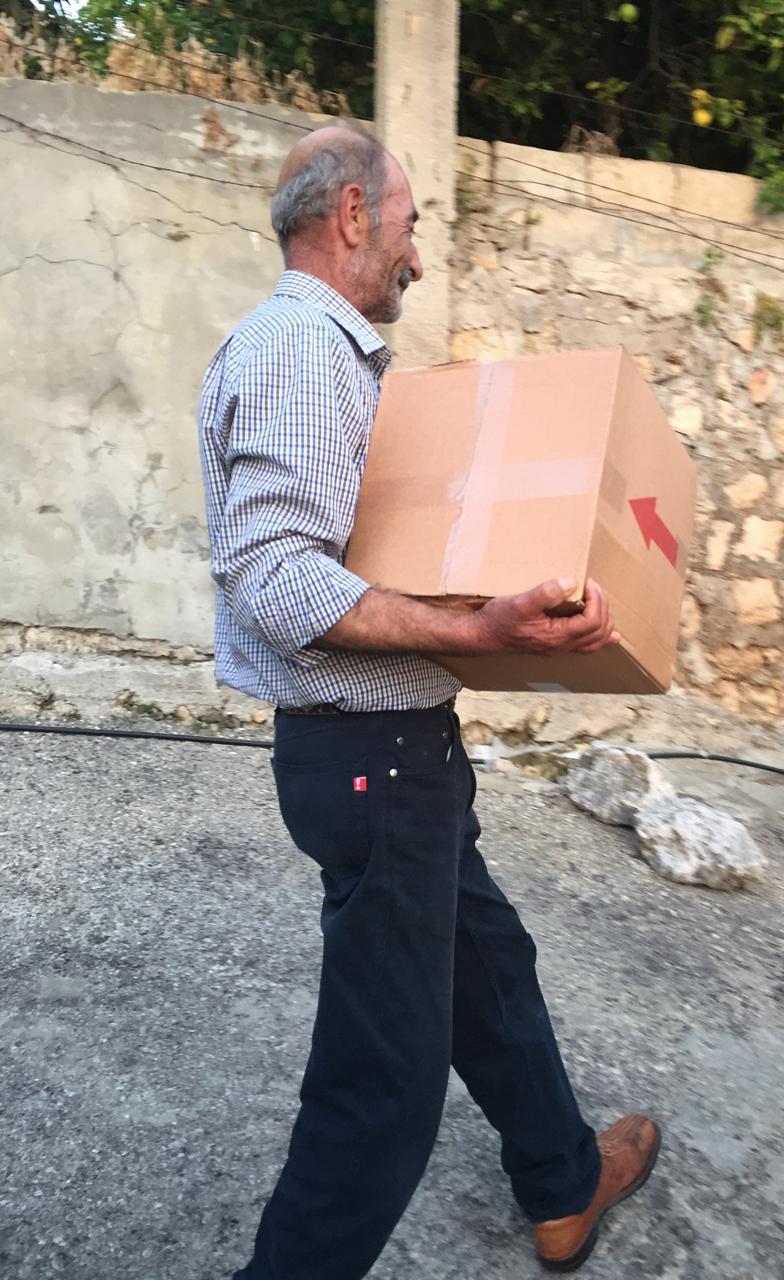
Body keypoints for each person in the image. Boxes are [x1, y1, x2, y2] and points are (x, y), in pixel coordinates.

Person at [198, 122, 660, 1280]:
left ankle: (561, 1181)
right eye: (409, 225)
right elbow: (274, 576)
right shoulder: (305, 348)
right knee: (381, 1092)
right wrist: (474, 629)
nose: (419, 254)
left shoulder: (314, 350)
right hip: (373, 763)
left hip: (394, 756)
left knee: (489, 966)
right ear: (351, 215)